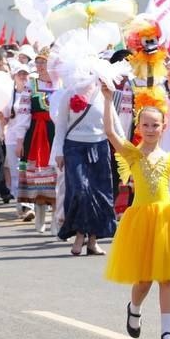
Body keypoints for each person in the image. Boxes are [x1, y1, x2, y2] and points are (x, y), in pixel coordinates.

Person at [101, 91, 170, 339]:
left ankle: (167, 331)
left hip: (166, 219)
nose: (150, 129)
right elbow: (111, 132)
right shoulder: (133, 154)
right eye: (145, 124)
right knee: (144, 279)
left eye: (155, 125)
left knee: (166, 277)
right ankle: (134, 307)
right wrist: (106, 99)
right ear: (138, 127)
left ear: (163, 127)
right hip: (141, 220)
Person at [53, 82, 117, 256]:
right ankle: (80, 235)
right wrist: (58, 151)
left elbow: (114, 122)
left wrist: (126, 149)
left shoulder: (103, 93)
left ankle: (92, 241)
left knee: (98, 193)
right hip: (74, 147)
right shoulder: (69, 93)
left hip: (99, 146)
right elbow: (60, 126)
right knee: (80, 191)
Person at [17, 51, 58, 234]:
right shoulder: (30, 84)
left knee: (57, 176)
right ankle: (40, 217)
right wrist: (19, 140)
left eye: (44, 62)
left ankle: (56, 221)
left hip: (55, 132)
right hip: (35, 133)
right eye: (38, 62)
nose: (40, 65)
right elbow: (23, 113)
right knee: (37, 177)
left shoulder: (60, 84)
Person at [4, 62, 34, 222]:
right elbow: (3, 116)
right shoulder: (8, 95)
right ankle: (20, 204)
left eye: (25, 74)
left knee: (28, 171)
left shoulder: (33, 94)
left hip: (29, 138)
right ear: (14, 77)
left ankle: (28, 205)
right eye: (20, 74)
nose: (23, 77)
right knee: (16, 173)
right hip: (11, 139)